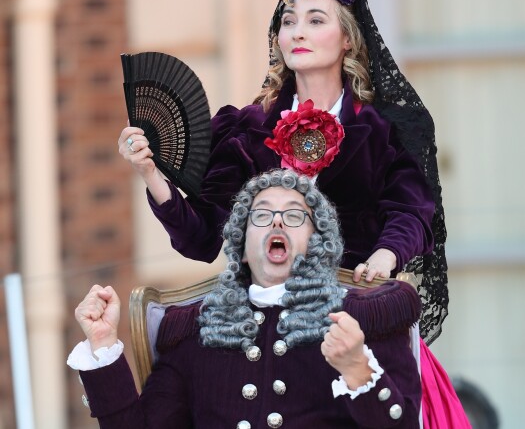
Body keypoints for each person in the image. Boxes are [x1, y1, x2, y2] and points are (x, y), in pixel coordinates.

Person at [118, 0, 448, 343]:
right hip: (263, 333)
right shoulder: (247, 129)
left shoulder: (384, 129)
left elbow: (410, 212)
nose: (297, 32)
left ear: (347, 37)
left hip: (355, 320)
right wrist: (151, 173)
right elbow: (202, 241)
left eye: (315, 20)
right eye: (289, 20)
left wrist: (385, 257)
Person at [69, 169, 423, 428]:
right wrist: (103, 347)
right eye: (262, 214)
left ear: (318, 244)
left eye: (295, 215)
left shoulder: (363, 320)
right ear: (241, 247)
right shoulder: (196, 333)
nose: (277, 222)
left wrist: (357, 369)